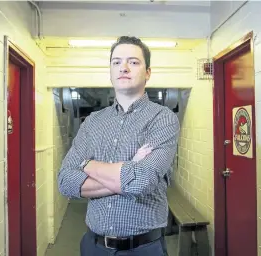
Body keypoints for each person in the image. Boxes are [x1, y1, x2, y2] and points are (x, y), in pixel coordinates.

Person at [57, 36, 180, 256]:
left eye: (133, 62)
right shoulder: (93, 122)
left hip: (144, 248)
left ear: (148, 73)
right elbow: (66, 181)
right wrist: (130, 168)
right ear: (111, 71)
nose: (123, 67)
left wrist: (87, 165)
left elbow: (143, 182)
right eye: (116, 62)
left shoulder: (163, 119)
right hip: (93, 246)